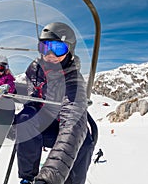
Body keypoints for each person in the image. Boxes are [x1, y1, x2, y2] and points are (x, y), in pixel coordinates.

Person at [15, 22, 96, 184]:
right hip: (44, 122)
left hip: (66, 126)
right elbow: (31, 94)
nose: (50, 54)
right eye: (45, 48)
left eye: (58, 48)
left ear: (70, 50)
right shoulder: (35, 69)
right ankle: (27, 177)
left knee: (83, 144)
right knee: (25, 118)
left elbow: (71, 126)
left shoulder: (74, 81)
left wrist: (49, 178)